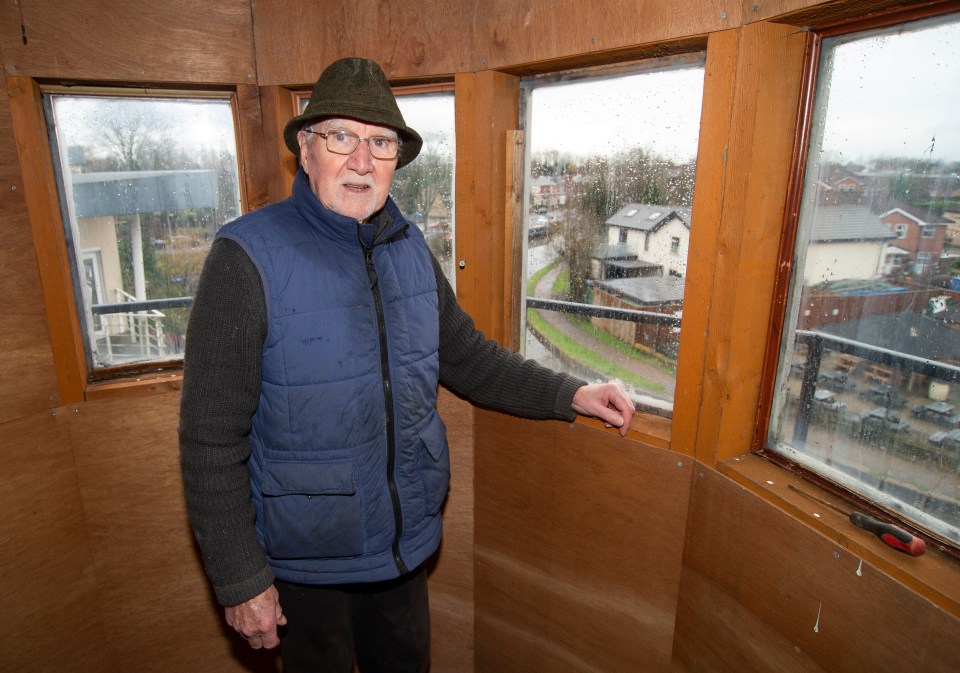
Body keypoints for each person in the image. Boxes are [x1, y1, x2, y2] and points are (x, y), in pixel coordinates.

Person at [178, 56, 635, 673]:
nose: (362, 160)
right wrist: (239, 578)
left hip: (402, 547)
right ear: (306, 150)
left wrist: (571, 394)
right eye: (342, 137)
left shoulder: (410, 246)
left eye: (381, 142)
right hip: (303, 567)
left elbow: (466, 356)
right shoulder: (245, 257)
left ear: (397, 158)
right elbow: (210, 437)